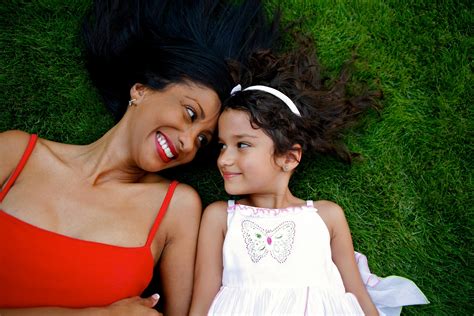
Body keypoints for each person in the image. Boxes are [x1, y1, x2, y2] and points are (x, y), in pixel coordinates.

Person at [0, 0, 279, 315]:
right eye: (190, 113)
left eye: (203, 140)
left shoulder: (177, 208)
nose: (188, 143)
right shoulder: (14, 155)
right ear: (141, 90)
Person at [190, 42, 429, 315]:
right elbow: (202, 304)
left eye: (242, 145)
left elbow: (357, 293)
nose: (223, 159)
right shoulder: (220, 217)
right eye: (222, 145)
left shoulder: (326, 216)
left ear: (289, 157)